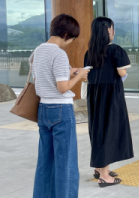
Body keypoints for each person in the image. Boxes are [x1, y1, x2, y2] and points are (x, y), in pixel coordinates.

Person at [32, 14, 89, 197]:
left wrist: (70, 71)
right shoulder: (59, 53)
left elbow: (38, 78)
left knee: (45, 161)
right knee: (67, 162)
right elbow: (63, 87)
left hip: (43, 109)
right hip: (61, 111)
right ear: (66, 34)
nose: (71, 42)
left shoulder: (38, 51)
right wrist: (80, 75)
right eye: (72, 38)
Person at [84, 17, 133, 187]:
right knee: (110, 129)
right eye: (112, 28)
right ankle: (105, 176)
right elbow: (122, 72)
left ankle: (99, 168)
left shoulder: (88, 52)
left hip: (94, 94)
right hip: (111, 94)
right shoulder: (115, 50)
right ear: (108, 31)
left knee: (98, 129)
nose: (114, 31)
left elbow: (86, 76)